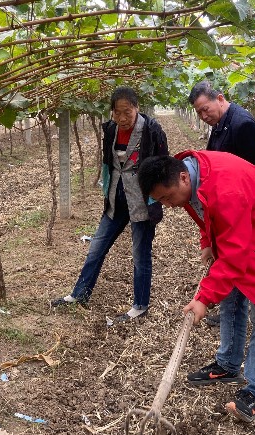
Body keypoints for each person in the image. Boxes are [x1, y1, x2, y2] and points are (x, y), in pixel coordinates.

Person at [137, 151, 255, 423]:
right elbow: (206, 211)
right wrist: (208, 239)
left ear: (183, 177)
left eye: (167, 197)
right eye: (160, 200)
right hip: (248, 233)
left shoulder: (225, 189)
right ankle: (228, 365)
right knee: (231, 297)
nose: (168, 205)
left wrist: (204, 298)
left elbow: (234, 254)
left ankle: (254, 394)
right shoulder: (194, 175)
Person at [50, 87, 168, 322]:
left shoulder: (152, 130)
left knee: (140, 254)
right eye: (117, 112)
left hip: (142, 201)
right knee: (97, 247)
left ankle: (140, 305)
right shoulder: (111, 129)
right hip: (116, 199)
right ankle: (79, 294)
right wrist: (106, 187)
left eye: (127, 112)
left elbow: (163, 165)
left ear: (137, 108)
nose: (122, 118)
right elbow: (109, 163)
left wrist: (156, 197)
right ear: (112, 112)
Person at [188, 80, 255, 326]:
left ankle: (238, 312)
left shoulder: (243, 125)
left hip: (246, 209)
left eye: (206, 108)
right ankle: (231, 312)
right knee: (232, 261)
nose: (204, 115)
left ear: (220, 98)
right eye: (199, 112)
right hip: (232, 206)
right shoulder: (220, 123)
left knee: (241, 260)